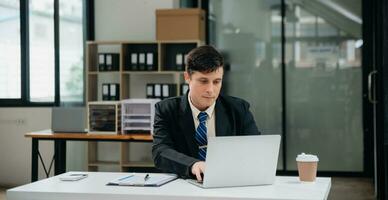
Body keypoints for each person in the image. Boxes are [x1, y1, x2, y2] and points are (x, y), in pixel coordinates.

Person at [152, 45, 260, 181]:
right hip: (184, 183)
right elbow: (160, 152)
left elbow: (256, 149)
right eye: (203, 81)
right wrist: (193, 165)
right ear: (187, 77)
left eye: (216, 82)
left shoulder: (239, 109)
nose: (210, 89)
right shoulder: (166, 109)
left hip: (229, 182)